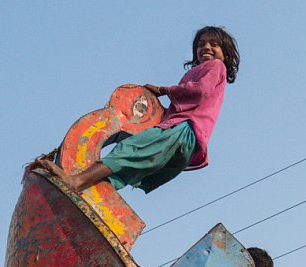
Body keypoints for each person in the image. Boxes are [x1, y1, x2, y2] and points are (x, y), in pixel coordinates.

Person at [35, 26, 239, 194]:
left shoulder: (215, 67)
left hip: (182, 130)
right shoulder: (202, 71)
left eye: (214, 44)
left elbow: (199, 91)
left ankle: (77, 181)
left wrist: (163, 90)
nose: (206, 47)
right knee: (133, 164)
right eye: (201, 44)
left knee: (130, 149)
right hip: (187, 140)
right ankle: (90, 188)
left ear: (225, 54)